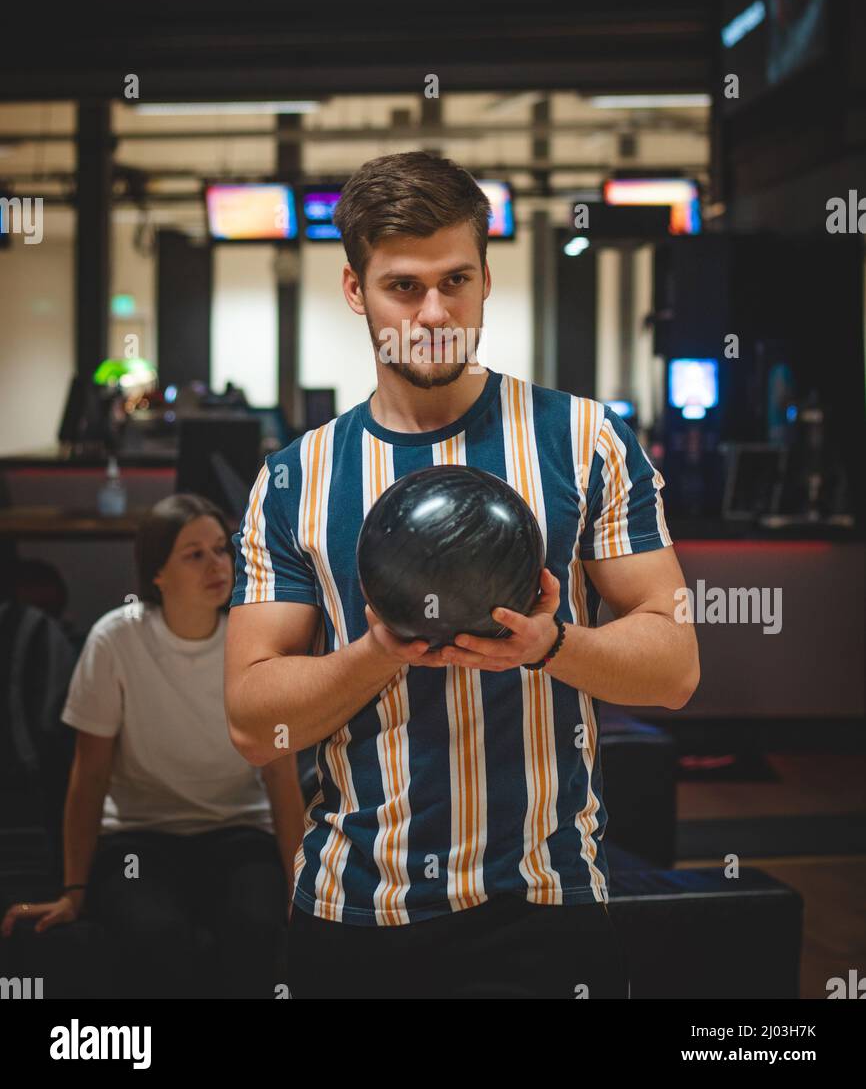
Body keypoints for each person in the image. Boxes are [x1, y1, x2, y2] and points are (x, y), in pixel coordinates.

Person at [224, 151, 700, 1000]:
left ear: (487, 281)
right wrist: (379, 651)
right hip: (355, 907)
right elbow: (257, 727)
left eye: (456, 281)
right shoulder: (296, 479)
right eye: (404, 287)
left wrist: (550, 645)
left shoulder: (583, 441)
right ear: (354, 290)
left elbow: (674, 670)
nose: (434, 312)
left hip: (544, 906)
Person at [1, 494, 305, 999]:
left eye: (220, 550)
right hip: (139, 838)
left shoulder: (252, 640)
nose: (217, 565)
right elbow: (89, 775)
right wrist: (72, 892)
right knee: (155, 935)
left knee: (254, 924)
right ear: (156, 573)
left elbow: (280, 774)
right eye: (194, 554)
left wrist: (300, 885)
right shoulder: (116, 640)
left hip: (237, 830)